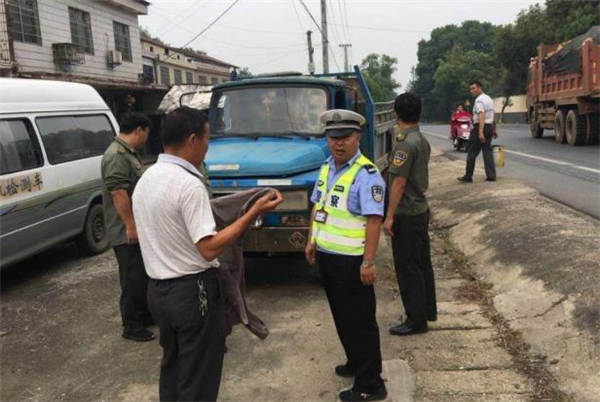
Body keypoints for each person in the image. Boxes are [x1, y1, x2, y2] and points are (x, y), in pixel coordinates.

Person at [132, 107, 282, 402]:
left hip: (158, 292)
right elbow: (209, 248)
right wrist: (251, 213)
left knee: (174, 367)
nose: (207, 147)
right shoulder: (189, 185)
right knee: (199, 376)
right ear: (192, 140)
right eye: (207, 139)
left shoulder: (147, 179)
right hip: (192, 293)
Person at [305, 109, 388, 402]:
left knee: (361, 322)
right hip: (328, 256)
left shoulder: (368, 175)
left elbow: (374, 220)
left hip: (353, 262)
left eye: (345, 137)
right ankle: (356, 362)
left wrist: (368, 261)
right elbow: (318, 204)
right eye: (332, 137)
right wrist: (311, 239)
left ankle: (370, 385)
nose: (338, 143)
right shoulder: (327, 166)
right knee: (343, 317)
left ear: (358, 138)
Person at [383, 93, 437, 336]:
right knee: (421, 264)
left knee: (408, 268)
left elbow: (398, 184)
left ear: (396, 114)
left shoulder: (405, 144)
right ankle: (425, 312)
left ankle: (415, 320)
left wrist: (390, 216)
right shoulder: (420, 139)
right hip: (420, 209)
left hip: (407, 212)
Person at [101, 112, 155, 342]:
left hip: (133, 227)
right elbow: (118, 193)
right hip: (125, 231)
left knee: (141, 275)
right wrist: (130, 226)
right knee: (132, 278)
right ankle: (131, 325)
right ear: (140, 130)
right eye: (147, 133)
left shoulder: (127, 153)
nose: (146, 138)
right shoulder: (117, 155)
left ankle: (142, 315)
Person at [458, 81, 498, 183]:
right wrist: (494, 129)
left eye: (473, 88)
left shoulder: (479, 100)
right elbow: (493, 113)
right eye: (470, 89)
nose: (471, 91)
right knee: (487, 151)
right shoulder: (488, 98)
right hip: (489, 127)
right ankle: (491, 176)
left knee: (471, 151)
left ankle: (468, 176)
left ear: (479, 88)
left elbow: (481, 115)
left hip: (480, 127)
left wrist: (480, 132)